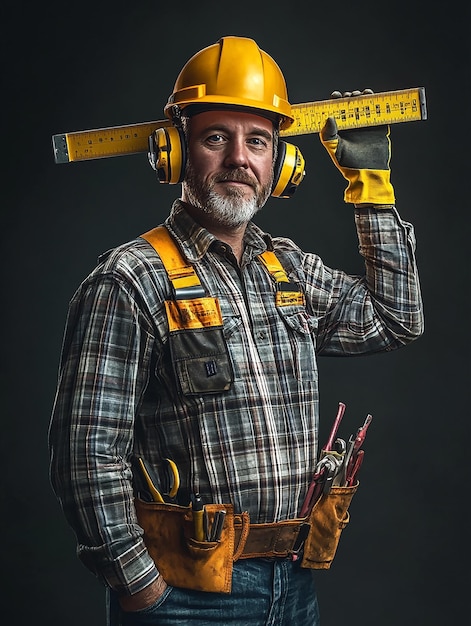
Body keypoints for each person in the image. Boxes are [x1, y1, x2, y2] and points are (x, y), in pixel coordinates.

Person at [48, 35, 424, 625]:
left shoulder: (289, 269)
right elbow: (87, 454)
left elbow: (395, 319)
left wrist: (371, 187)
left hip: (296, 585)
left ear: (280, 163)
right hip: (184, 595)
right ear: (174, 152)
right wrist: (140, 586)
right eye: (215, 137)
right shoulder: (130, 280)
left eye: (258, 141)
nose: (239, 160)